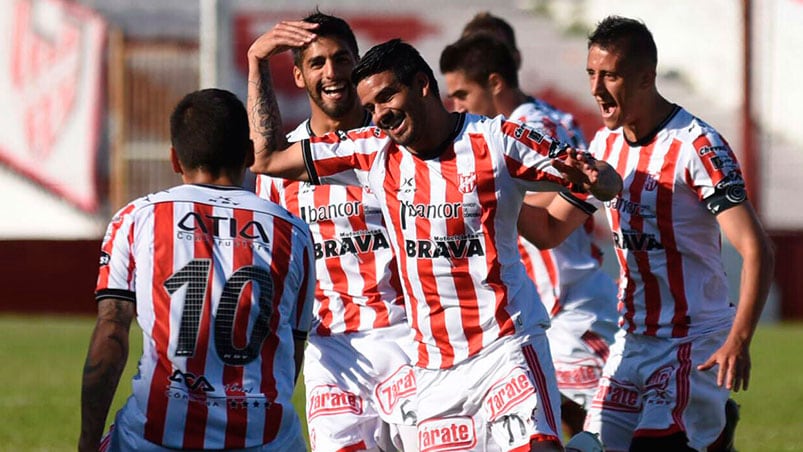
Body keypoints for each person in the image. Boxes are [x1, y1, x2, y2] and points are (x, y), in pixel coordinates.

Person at [247, 23, 623, 451]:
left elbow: (605, 184)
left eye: (388, 97)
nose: (381, 114)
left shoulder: (498, 140)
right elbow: (267, 159)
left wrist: (599, 180)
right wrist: (257, 60)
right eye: (371, 106)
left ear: (423, 85)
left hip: (506, 345)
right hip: (434, 369)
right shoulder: (372, 149)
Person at [78, 88, 316, 451]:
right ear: (250, 154)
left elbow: (112, 332)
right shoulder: (293, 232)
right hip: (265, 439)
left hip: (155, 437)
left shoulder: (137, 218)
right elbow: (291, 355)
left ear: (175, 159)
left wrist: (87, 441)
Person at [582, 16, 775, 451]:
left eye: (610, 75)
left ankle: (714, 428)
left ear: (647, 77)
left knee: (655, 446)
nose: (596, 88)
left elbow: (756, 248)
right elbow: (551, 225)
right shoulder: (604, 146)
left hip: (693, 339)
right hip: (631, 340)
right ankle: (716, 429)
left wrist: (738, 341)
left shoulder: (696, 145)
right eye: (591, 74)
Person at [440, 30, 619, 438]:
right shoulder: (544, 118)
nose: (457, 107)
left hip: (568, 302)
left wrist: (481, 196)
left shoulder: (528, 129)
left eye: (463, 94)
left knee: (613, 429)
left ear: (495, 83)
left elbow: (561, 199)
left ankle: (712, 433)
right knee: (555, 424)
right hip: (544, 303)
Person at [252, 11, 417, 452]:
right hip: (333, 352)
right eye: (317, 62)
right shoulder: (279, 168)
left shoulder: (393, 145)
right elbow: (276, 268)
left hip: (409, 336)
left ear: (357, 62)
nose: (331, 72)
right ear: (299, 75)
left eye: (341, 59)